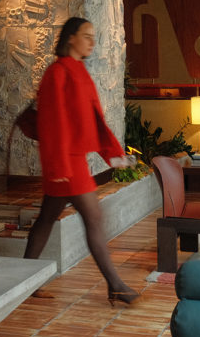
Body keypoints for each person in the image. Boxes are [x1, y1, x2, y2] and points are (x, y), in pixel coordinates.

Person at [24, 17, 141, 306]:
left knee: (46, 219)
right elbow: (52, 123)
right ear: (70, 38)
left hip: (70, 161)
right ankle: (116, 286)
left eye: (93, 36)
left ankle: (23, 281)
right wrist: (59, 166)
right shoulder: (57, 72)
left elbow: (93, 118)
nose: (92, 41)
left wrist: (115, 156)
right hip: (65, 163)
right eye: (86, 35)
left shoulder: (77, 70)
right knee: (94, 219)